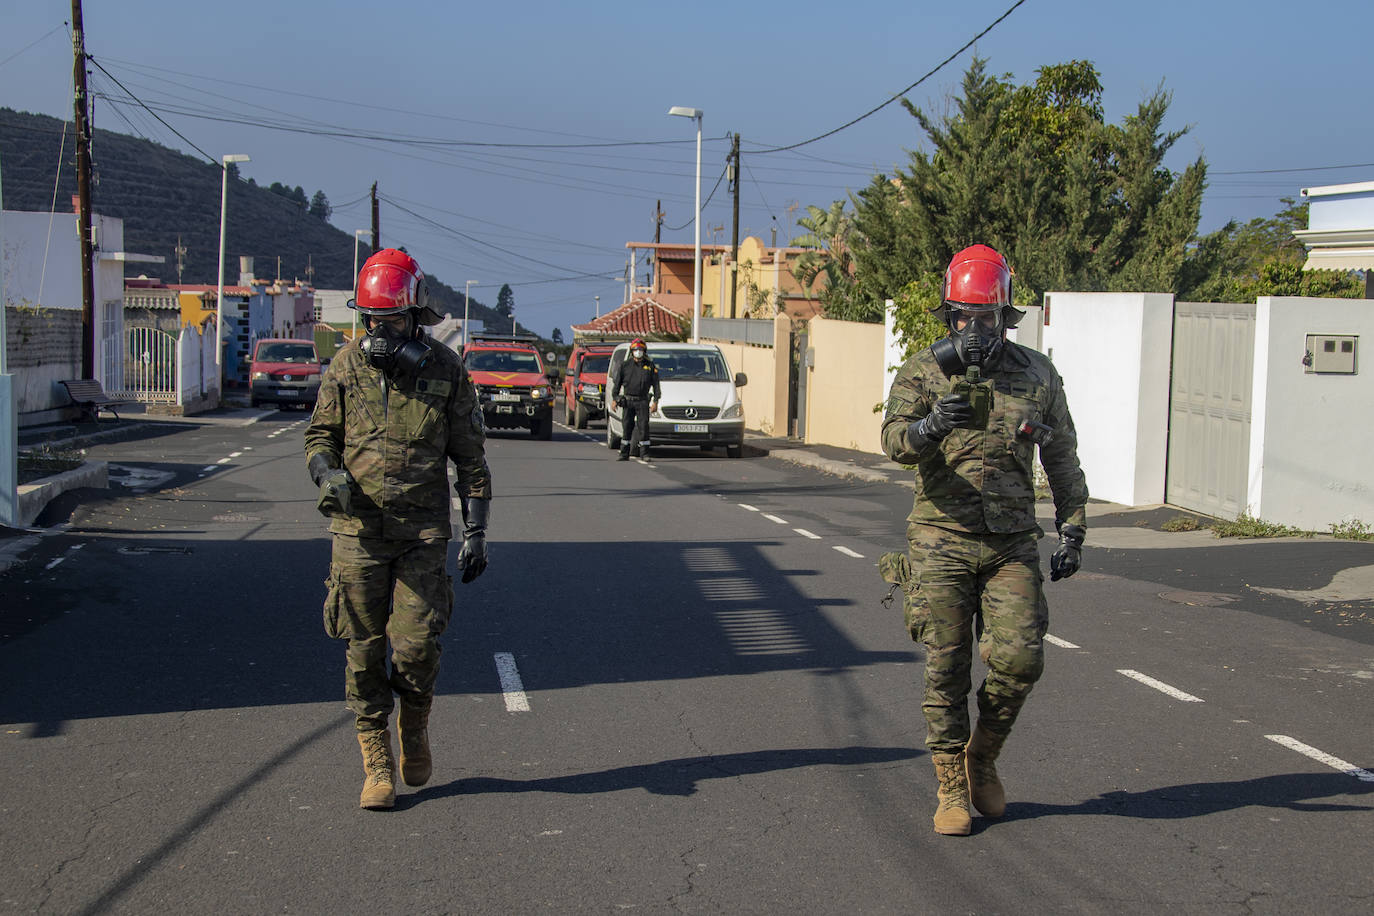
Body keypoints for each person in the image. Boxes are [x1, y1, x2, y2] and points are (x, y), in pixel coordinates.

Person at [880, 244, 1088, 836]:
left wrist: (1071, 526)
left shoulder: (1037, 374)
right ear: (949, 317)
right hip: (941, 537)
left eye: (987, 320)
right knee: (946, 665)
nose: (974, 332)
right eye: (963, 319)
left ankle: (983, 758)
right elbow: (893, 442)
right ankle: (949, 785)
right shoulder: (923, 371)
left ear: (1006, 318)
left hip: (1010, 541)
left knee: (1021, 658)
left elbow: (1063, 453)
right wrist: (930, 425)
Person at [304, 248, 493, 810]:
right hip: (357, 533)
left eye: (389, 321)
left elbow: (471, 459)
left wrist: (477, 530)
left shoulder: (445, 370)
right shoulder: (345, 369)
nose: (379, 333)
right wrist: (326, 473)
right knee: (362, 652)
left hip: (422, 534)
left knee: (413, 649)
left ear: (413, 318)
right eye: (370, 321)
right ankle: (375, 761)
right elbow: (319, 439)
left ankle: (414, 727)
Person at [610, 337, 660, 462]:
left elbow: (656, 385)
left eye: (641, 350)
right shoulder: (625, 366)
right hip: (628, 401)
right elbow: (617, 384)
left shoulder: (650, 366)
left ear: (644, 351)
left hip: (642, 401)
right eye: (636, 350)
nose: (638, 352)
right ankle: (624, 453)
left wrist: (655, 401)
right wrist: (615, 399)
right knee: (627, 426)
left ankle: (645, 453)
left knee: (643, 427)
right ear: (632, 351)